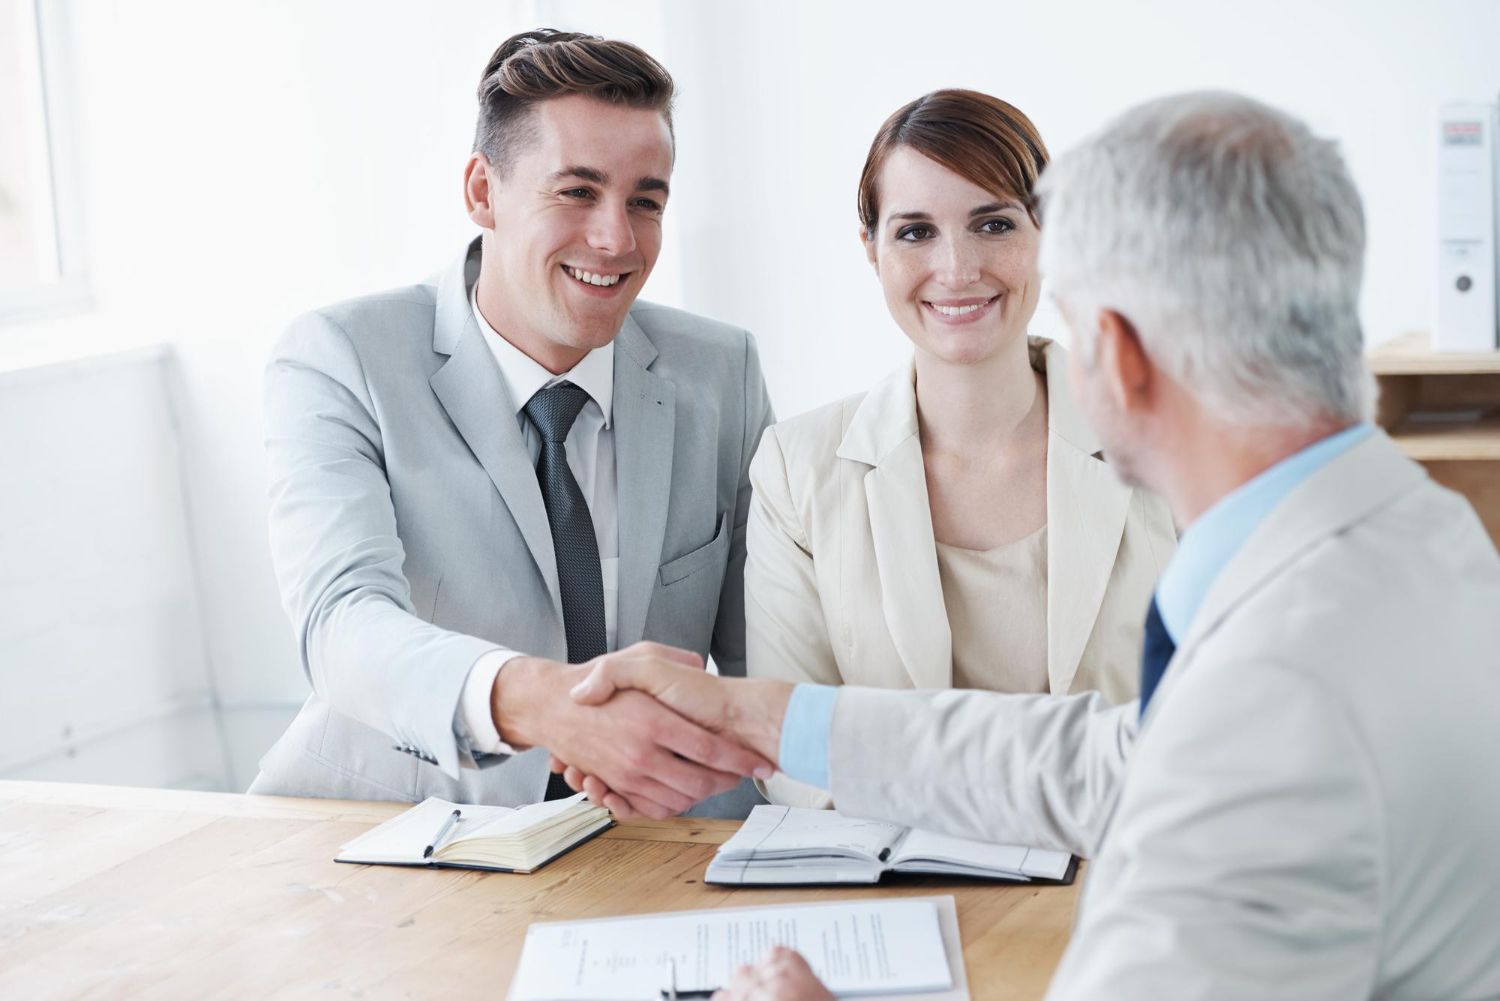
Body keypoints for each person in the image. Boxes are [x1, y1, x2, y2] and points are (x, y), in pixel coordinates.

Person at [558, 92, 1500, 999]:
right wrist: (758, 715)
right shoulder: (1432, 534)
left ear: (1120, 353)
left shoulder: (1272, 697)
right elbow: (1110, 757)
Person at [247, 28, 777, 820]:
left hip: (648, 843)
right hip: (381, 833)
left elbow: (759, 663)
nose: (617, 239)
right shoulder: (338, 356)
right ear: (482, 191)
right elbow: (342, 623)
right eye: (577, 191)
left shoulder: (719, 372)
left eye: (646, 201)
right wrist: (538, 699)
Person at [746, 89, 1175, 809]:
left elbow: (1221, 709)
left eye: (993, 223)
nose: (957, 268)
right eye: (915, 232)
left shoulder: (1164, 441)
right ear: (872, 251)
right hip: (899, 883)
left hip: (1128, 873)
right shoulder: (799, 467)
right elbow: (783, 741)